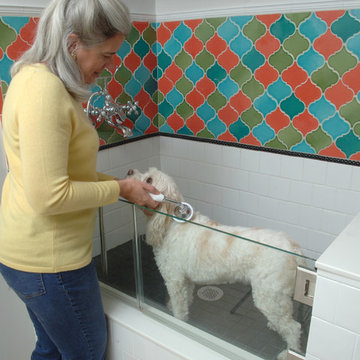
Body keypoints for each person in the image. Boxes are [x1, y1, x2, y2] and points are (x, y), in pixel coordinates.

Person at [0, 0, 159, 359]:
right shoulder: (45, 92)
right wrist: (121, 188)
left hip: (29, 255)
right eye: (106, 55)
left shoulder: (29, 78)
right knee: (85, 353)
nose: (110, 65)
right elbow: (49, 195)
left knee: (51, 350)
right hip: (49, 262)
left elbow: (62, 176)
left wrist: (127, 188)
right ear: (73, 45)